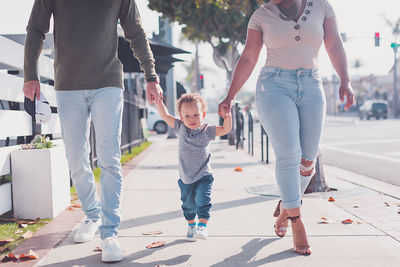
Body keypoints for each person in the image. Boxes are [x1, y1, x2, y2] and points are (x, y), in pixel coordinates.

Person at [23, 0, 163, 262]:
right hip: (67, 85)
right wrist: (30, 73)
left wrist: (151, 76)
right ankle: (91, 214)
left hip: (107, 83)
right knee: (76, 158)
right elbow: (35, 29)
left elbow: (136, 32)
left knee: (109, 159)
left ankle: (110, 234)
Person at [218, 0, 354, 255]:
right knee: (288, 154)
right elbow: (249, 56)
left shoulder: (322, 7)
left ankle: (285, 209)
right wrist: (230, 95)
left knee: (307, 160)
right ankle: (296, 220)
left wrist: (345, 79)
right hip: (274, 86)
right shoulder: (262, 15)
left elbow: (334, 43)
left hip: (312, 85)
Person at [155, 93, 232, 241]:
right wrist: (159, 101)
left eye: (196, 115)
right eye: (187, 116)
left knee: (204, 200)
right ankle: (191, 225)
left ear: (203, 115)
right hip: (186, 177)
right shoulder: (179, 127)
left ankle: (202, 226)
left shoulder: (206, 130)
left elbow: (225, 130)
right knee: (188, 205)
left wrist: (228, 116)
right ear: (181, 116)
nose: (192, 119)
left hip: (204, 175)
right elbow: (165, 115)